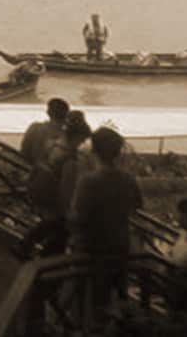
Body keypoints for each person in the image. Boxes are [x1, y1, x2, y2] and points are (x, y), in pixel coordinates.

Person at [67, 126, 141, 323]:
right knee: (117, 295)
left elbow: (78, 216)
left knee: (90, 301)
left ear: (94, 151)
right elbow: (137, 205)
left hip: (92, 248)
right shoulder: (127, 179)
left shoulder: (88, 181)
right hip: (119, 245)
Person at [14, 110, 91, 258]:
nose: (82, 144)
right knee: (58, 226)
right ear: (76, 137)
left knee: (55, 227)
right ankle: (33, 251)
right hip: (52, 195)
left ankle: (26, 247)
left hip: (39, 187)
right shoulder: (69, 157)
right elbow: (66, 188)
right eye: (81, 140)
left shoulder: (54, 144)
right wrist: (69, 207)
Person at [21, 97, 71, 167]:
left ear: (48, 112)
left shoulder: (35, 128)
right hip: (54, 173)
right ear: (66, 115)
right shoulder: (68, 134)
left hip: (32, 169)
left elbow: (24, 152)